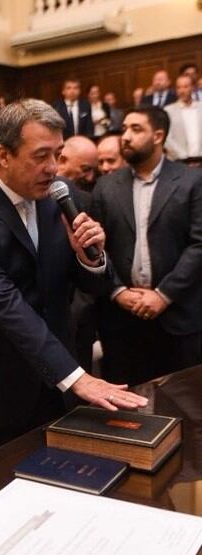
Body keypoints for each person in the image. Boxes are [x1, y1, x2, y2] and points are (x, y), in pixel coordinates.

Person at [0, 99, 147, 464]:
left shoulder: (62, 197)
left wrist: (89, 258)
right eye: (41, 156)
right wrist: (76, 376)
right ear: (3, 154)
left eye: (58, 154)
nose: (53, 168)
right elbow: (4, 304)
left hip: (56, 389)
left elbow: (96, 287)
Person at [90, 106, 202, 386]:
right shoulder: (105, 187)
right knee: (128, 415)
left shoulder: (192, 181)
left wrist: (163, 295)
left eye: (136, 129)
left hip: (177, 317)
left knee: (185, 408)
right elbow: (94, 248)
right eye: (125, 128)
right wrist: (116, 291)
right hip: (122, 322)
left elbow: (199, 245)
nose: (125, 136)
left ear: (158, 136)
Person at [164, 74, 202, 161]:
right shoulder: (168, 110)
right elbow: (167, 138)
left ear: (193, 87)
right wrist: (184, 157)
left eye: (185, 87)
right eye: (178, 87)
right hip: (179, 161)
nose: (182, 91)